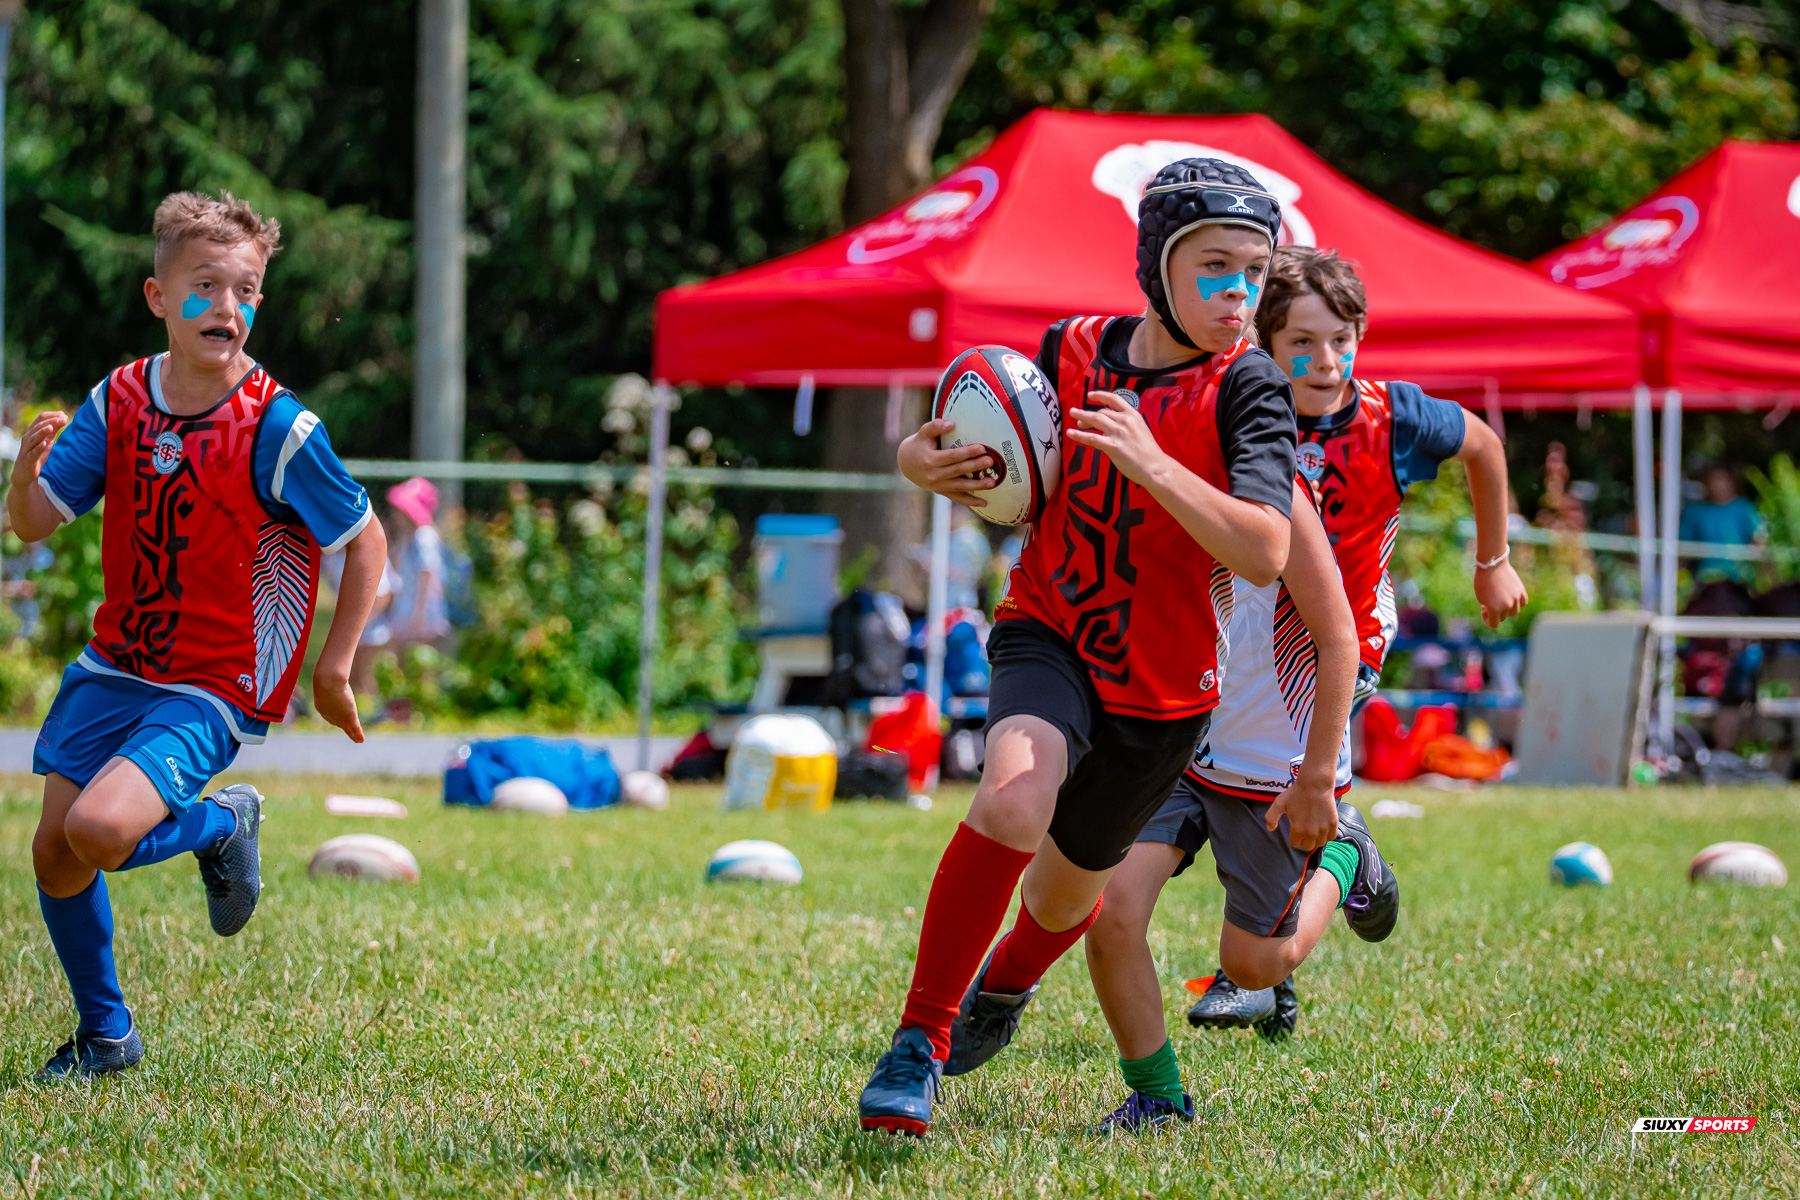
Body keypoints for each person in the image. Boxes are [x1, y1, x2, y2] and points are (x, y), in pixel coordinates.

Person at [859, 158, 1305, 1136]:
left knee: (1063, 904)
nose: (1239, 293)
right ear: (1155, 264)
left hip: (1164, 694)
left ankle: (1005, 987)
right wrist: (920, 461)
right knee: (1012, 799)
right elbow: (985, 457)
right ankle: (917, 1045)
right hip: (1051, 630)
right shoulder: (1070, 349)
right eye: (1215, 267)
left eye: (1256, 272)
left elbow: (1265, 551)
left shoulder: (1252, 388)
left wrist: (1153, 463)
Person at [1072, 246, 1528, 1129]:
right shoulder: (1236, 411)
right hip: (1221, 657)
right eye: (1303, 345)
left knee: (1257, 948)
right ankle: (1162, 1093)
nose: (1326, 361)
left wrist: (1493, 559)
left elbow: (1483, 444)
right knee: (1115, 905)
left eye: (1342, 340)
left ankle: (1342, 852)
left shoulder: (1393, 417)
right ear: (1263, 345)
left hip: (1325, 658)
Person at [8, 191, 386, 1082]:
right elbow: (34, 523)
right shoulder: (120, 400)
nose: (227, 305)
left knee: (100, 831)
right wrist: (24, 475)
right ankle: (106, 1036)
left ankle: (222, 823)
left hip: (211, 681)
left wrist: (334, 666)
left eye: (245, 290)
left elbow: (365, 539)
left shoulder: (279, 427)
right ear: (158, 296)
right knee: (54, 853)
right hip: (117, 661)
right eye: (205, 284)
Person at [386, 476, 452, 651]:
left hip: (421, 612)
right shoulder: (408, 537)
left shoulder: (424, 536)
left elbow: (427, 574)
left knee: (420, 657)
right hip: (407, 608)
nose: (395, 515)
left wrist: (419, 615)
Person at [1680, 465, 1762, 586]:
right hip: (1706, 578)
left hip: (1739, 579)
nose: (1719, 485)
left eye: (1722, 480)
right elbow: (1683, 548)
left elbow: (1759, 540)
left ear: (1732, 482)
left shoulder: (1745, 508)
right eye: (1714, 480)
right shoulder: (1695, 511)